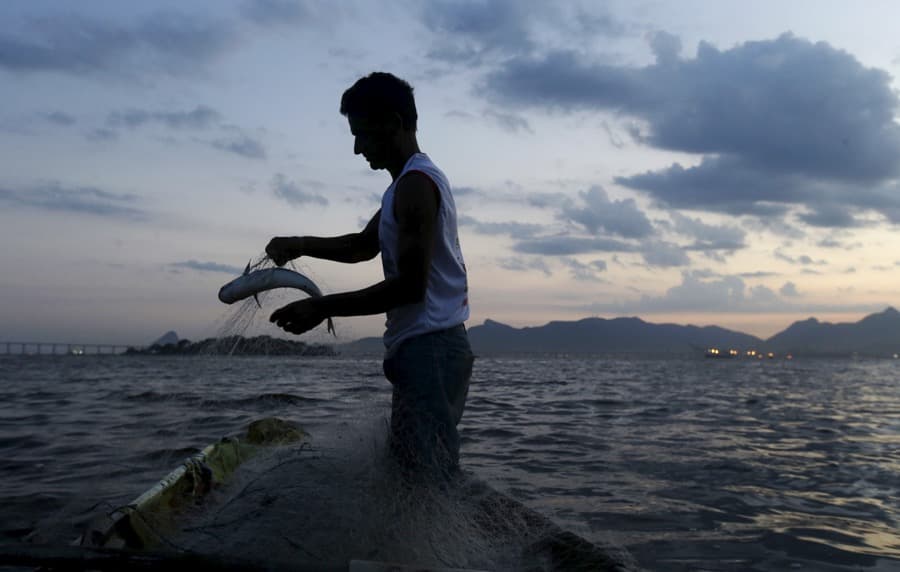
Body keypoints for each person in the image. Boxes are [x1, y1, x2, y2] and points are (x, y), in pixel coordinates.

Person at [266, 72, 473, 479]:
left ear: (394, 124)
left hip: (430, 347)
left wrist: (322, 307)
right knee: (412, 471)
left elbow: (411, 287)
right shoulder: (405, 184)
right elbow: (362, 245)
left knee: (424, 481)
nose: (358, 148)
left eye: (362, 134)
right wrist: (299, 243)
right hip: (426, 346)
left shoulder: (416, 185)